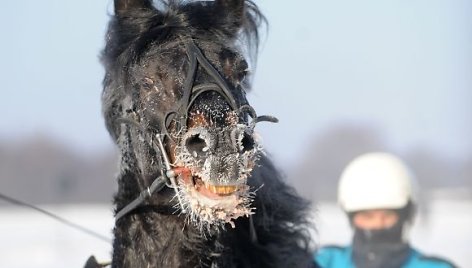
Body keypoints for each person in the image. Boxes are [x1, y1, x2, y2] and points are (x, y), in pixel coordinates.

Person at [314, 152, 456, 268]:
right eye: (367, 216)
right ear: (351, 217)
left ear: (406, 215)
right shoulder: (323, 263)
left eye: (388, 215)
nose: (378, 224)